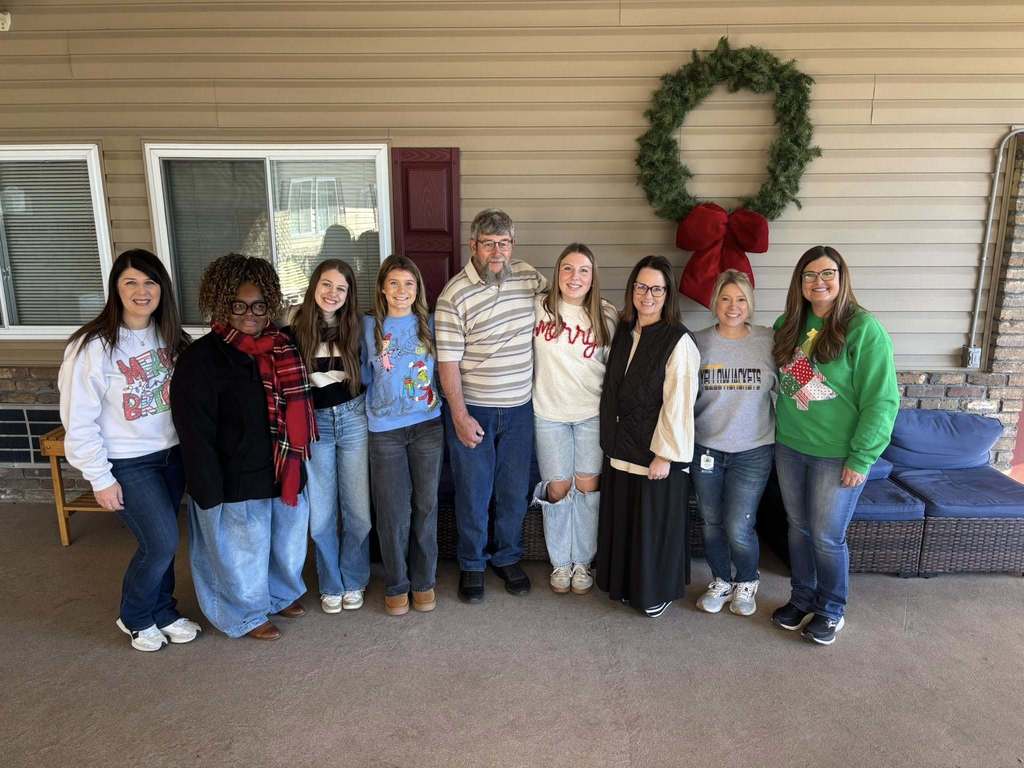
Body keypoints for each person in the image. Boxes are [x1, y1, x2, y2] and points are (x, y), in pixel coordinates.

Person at [58, 248, 200, 652]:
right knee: (161, 542)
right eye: (131, 282)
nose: (142, 291)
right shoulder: (92, 347)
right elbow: (78, 419)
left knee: (165, 539)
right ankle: (135, 615)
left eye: (150, 282)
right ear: (115, 289)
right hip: (127, 462)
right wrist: (99, 477)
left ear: (162, 289)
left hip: (171, 456)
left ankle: (163, 610)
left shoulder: (170, 337)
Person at [170, 253, 317, 641]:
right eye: (238, 305)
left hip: (282, 464)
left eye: (259, 305)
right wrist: (206, 488)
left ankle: (280, 591)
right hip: (233, 471)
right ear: (222, 304)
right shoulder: (200, 359)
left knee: (285, 539)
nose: (249, 314)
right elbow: (194, 430)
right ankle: (245, 612)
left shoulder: (283, 346)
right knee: (241, 549)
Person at [770, 245, 899, 646]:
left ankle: (831, 608)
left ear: (842, 279)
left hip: (837, 455)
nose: (818, 282)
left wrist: (862, 457)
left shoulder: (863, 329)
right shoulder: (787, 324)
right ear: (799, 282)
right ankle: (802, 597)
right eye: (809, 275)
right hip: (790, 446)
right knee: (798, 529)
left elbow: (882, 399)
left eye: (827, 274)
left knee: (827, 536)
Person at [435, 208, 546, 603]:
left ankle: (507, 556)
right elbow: (446, 363)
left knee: (514, 490)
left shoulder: (529, 278)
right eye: (488, 244)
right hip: (475, 409)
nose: (497, 252)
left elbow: (567, 303)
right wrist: (460, 416)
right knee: (473, 492)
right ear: (473, 246)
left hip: (520, 409)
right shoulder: (453, 295)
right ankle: (472, 564)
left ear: (512, 245)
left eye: (504, 243)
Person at [596, 255, 700, 618]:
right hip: (621, 445)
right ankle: (626, 583)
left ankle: (655, 590)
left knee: (651, 527)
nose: (648, 295)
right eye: (641, 287)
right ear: (632, 290)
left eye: (656, 288)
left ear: (667, 293)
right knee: (627, 522)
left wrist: (665, 455)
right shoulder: (624, 331)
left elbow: (679, 402)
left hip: (655, 454)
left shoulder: (678, 341)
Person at [531, 243, 617, 595]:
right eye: (568, 268)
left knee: (586, 487)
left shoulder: (607, 315)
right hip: (548, 412)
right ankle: (559, 563)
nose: (575, 277)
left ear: (593, 276)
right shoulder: (539, 307)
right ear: (557, 273)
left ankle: (582, 561)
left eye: (583, 270)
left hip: (590, 414)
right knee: (557, 487)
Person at [691, 270, 777, 617]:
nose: (733, 306)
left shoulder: (769, 341)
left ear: (750, 303)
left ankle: (746, 581)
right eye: (725, 298)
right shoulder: (697, 342)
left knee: (739, 524)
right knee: (711, 522)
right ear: (715, 302)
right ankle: (720, 580)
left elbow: (799, 382)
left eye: (740, 299)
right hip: (706, 448)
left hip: (753, 450)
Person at [287, 259, 371, 614]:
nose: (332, 293)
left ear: (349, 293)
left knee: (358, 512)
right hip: (315, 422)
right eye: (326, 284)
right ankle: (330, 582)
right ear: (314, 286)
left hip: (353, 418)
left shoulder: (358, 327)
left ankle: (353, 578)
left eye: (341, 287)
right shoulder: (295, 327)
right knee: (321, 513)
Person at [363, 255, 443, 616]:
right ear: (382, 287)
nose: (401, 291)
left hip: (427, 426)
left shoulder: (431, 324)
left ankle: (424, 581)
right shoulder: (368, 327)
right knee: (393, 512)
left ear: (417, 289)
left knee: (425, 507)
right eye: (394, 283)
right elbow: (361, 373)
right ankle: (397, 584)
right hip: (385, 432)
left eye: (409, 284)